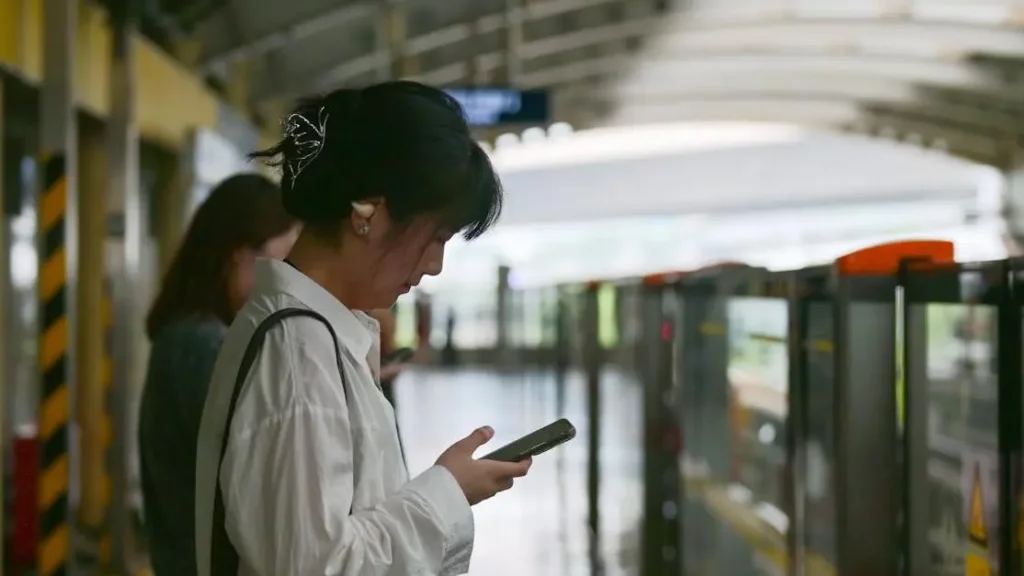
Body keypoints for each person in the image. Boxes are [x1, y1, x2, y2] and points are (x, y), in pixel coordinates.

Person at [193, 81, 532, 576]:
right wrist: (447, 494)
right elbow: (316, 566)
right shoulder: (299, 352)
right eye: (435, 236)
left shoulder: (310, 332)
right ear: (365, 213)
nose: (435, 265)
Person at [138, 173, 299, 576]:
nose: (287, 285)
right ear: (239, 254)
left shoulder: (194, 336)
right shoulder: (202, 346)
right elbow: (261, 476)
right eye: (281, 265)